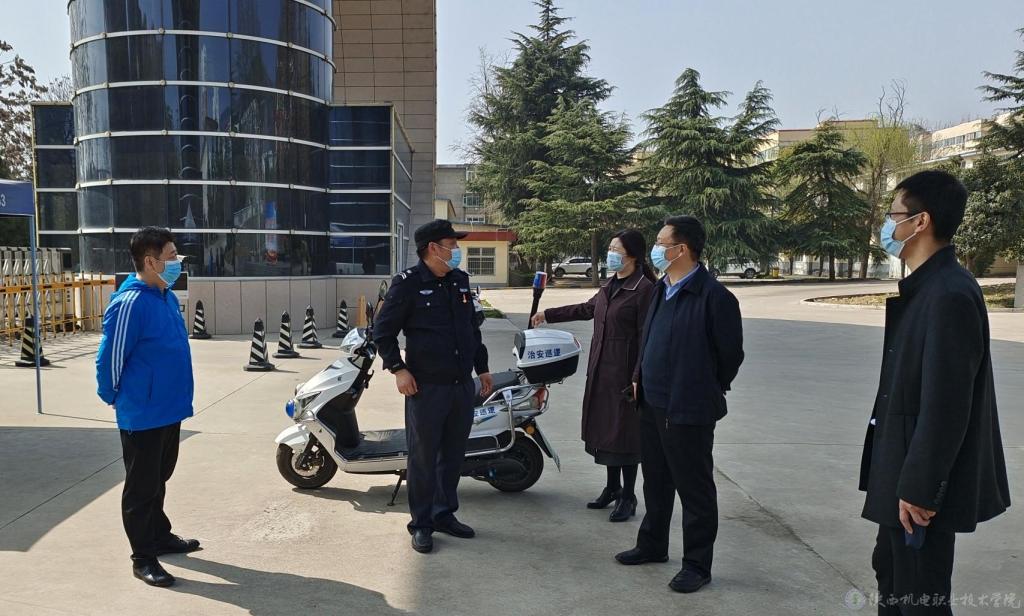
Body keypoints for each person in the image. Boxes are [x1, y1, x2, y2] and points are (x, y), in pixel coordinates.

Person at [860, 170, 1010, 615]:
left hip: (918, 489)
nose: (888, 226)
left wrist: (921, 489)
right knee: (892, 575)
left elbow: (947, 405)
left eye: (893, 215)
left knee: (919, 595)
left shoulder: (948, 294)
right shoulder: (926, 288)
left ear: (920, 221)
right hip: (902, 470)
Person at [614, 215, 744, 594]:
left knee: (694, 489)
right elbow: (649, 340)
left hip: (689, 409)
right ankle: (653, 544)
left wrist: (702, 387)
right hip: (652, 402)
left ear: (681, 249)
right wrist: (638, 376)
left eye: (661, 243)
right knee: (655, 480)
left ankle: (697, 565)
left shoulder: (715, 297)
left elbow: (730, 356)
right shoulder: (662, 289)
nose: (656, 249)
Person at [373, 219, 494, 554]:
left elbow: (472, 330)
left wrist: (482, 368)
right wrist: (398, 369)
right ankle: (422, 524)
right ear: (432, 249)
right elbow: (382, 332)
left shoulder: (460, 280)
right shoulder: (407, 284)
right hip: (426, 389)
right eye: (451, 245)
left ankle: (444, 514)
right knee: (424, 458)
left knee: (453, 455)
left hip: (461, 386)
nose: (456, 250)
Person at [95, 227, 200, 587]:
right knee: (141, 488)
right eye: (171, 256)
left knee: (159, 477)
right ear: (151, 262)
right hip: (143, 412)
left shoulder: (164, 296)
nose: (177, 261)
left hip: (170, 407)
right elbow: (110, 358)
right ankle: (143, 558)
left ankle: (159, 535)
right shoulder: (130, 303)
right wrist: (113, 396)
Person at [531, 230, 656, 522]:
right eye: (610, 248)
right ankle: (612, 488)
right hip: (602, 370)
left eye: (616, 249)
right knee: (607, 433)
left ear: (632, 255)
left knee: (625, 436)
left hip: (625, 376)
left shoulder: (644, 289)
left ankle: (628, 496)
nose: (610, 253)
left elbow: (647, 338)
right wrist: (548, 314)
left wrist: (637, 377)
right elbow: (588, 309)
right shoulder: (611, 284)